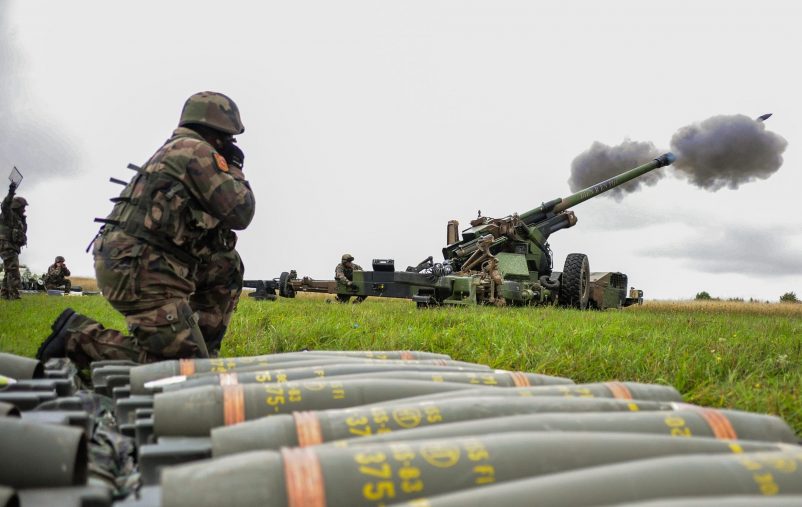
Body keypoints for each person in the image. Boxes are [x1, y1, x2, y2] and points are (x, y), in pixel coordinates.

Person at [36, 91, 256, 367]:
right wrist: (235, 169)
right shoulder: (195, 152)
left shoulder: (177, 151)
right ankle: (77, 339)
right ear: (217, 134)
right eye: (229, 139)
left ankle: (201, 351)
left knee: (226, 264)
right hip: (139, 268)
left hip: (139, 263)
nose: (230, 145)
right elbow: (241, 211)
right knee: (183, 368)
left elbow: (218, 238)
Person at [0, 183, 27, 300]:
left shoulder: (18, 219)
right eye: (22, 207)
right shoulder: (8, 215)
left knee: (9, 272)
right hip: (7, 246)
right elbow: (5, 205)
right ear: (16, 207)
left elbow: (22, 233)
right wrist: (11, 192)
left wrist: (23, 221)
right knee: (14, 271)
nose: (24, 209)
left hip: (11, 246)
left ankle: (5, 295)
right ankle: (14, 296)